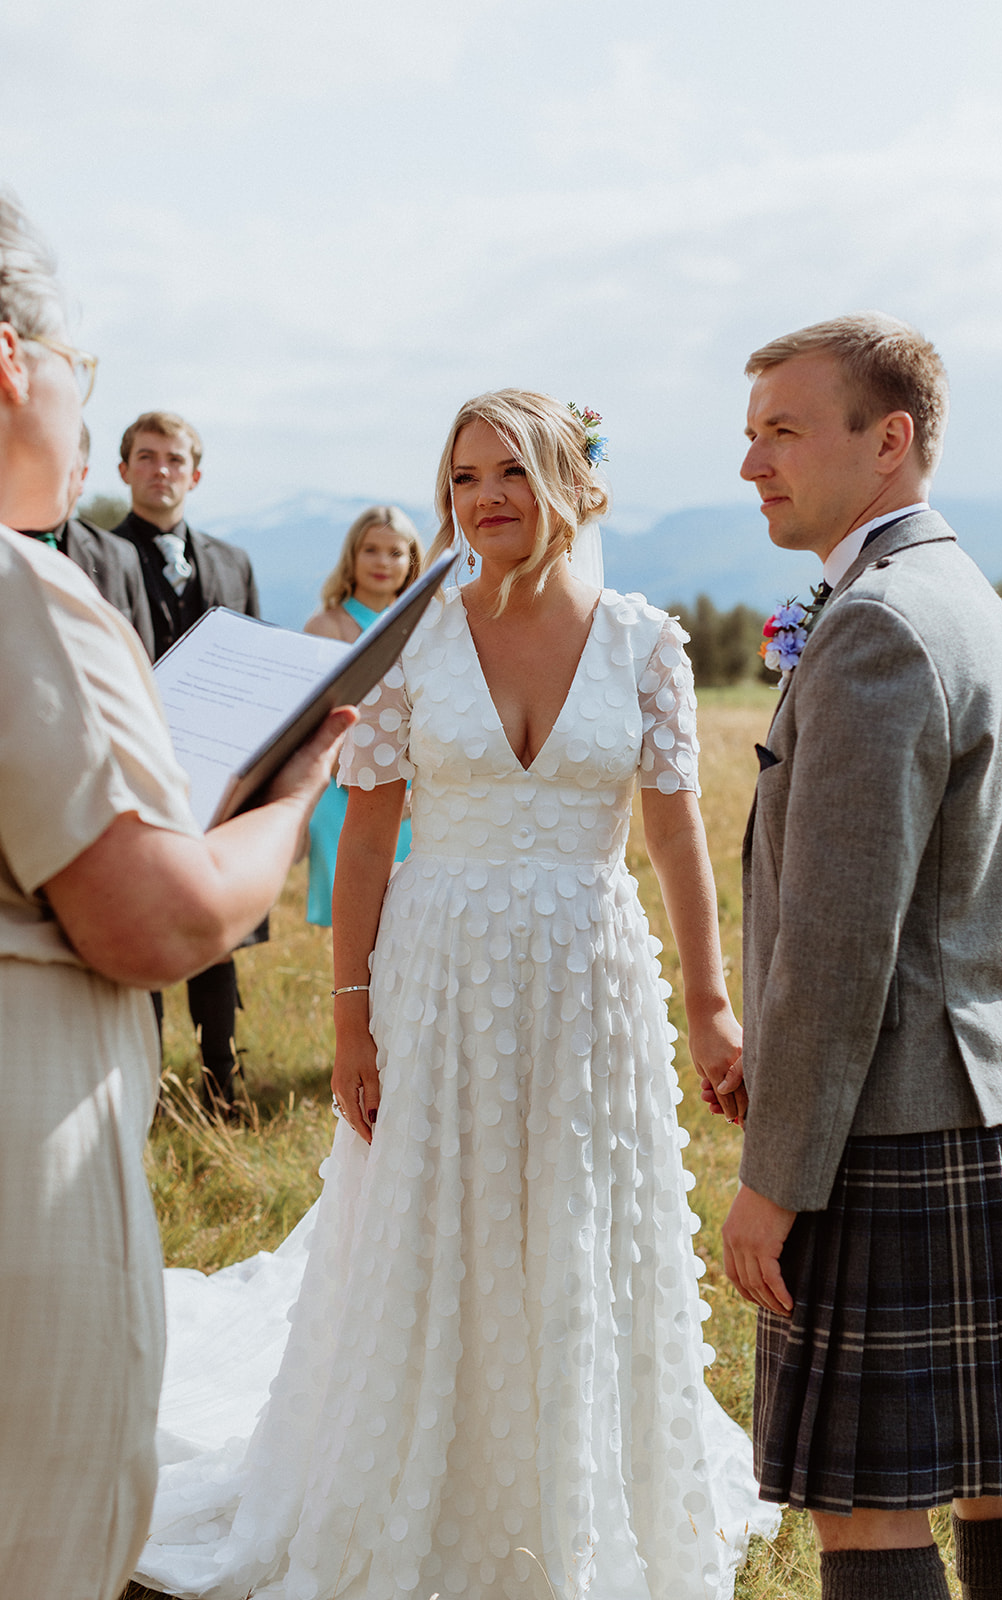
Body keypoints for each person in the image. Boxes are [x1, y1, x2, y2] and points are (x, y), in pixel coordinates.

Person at [135, 388, 778, 1599]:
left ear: (571, 487)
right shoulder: (414, 642)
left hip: (589, 974)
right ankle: (412, 1478)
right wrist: (348, 1010)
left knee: (576, 1212)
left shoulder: (644, 639)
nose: (483, 498)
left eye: (512, 473)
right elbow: (365, 834)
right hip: (436, 971)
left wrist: (707, 1001)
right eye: (464, 475)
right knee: (432, 1217)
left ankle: (571, 1488)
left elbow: (677, 839)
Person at [0, 189, 354, 1600]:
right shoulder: (20, 592)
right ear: (12, 363)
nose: (85, 423)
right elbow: (153, 919)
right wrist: (284, 802)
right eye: (83, 374)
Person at [720, 313, 1002, 1600]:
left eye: (784, 431)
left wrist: (774, 1177)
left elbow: (836, 944)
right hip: (990, 1103)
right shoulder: (962, 596)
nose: (753, 462)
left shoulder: (874, 625)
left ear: (888, 440)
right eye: (749, 434)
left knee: (864, 1512)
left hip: (886, 1130)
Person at [112, 410, 264, 1113]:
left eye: (174, 459)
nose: (161, 469)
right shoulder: (93, 554)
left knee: (211, 922)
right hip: (129, 768)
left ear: (194, 475)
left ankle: (218, 1083)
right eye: (146, 457)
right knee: (139, 918)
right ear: (124, 471)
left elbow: (259, 668)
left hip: (218, 773)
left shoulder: (232, 563)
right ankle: (140, 1085)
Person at [303, 505, 423, 925]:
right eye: (371, 549)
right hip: (345, 792)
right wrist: (365, 786)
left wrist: (417, 790)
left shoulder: (424, 623)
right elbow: (316, 721)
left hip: (417, 796)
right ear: (352, 556)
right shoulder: (327, 626)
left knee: (412, 919)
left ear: (412, 561)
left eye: (395, 552)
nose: (383, 562)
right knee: (355, 922)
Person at [19, 418, 155, 652]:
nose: (51, 475)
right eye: (40, 460)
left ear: (83, 475)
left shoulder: (119, 555)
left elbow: (142, 662)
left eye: (65, 465)